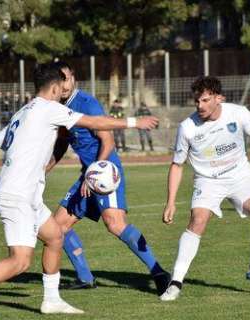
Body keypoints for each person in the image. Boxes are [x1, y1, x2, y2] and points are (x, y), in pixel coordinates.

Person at [0, 62, 158, 320]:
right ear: (55, 87)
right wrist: (135, 121)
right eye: (62, 86)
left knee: (55, 236)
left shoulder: (23, 112)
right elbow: (94, 121)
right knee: (21, 261)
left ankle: (51, 300)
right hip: (17, 196)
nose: (65, 90)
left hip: (27, 195)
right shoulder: (50, 109)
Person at [160, 76, 250, 302]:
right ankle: (175, 282)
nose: (200, 106)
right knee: (198, 221)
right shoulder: (187, 128)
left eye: (205, 100)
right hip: (207, 181)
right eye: (197, 101)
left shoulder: (238, 113)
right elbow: (177, 165)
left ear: (219, 98)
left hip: (241, 176)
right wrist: (171, 201)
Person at [51, 61, 171, 294]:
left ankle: (159, 273)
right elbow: (62, 143)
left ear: (73, 77)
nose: (63, 85)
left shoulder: (87, 103)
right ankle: (85, 278)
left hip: (105, 173)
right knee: (57, 227)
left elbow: (108, 141)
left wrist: (92, 174)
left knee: (115, 224)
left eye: (65, 78)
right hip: (87, 175)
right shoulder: (59, 108)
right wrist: (44, 170)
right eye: (58, 80)